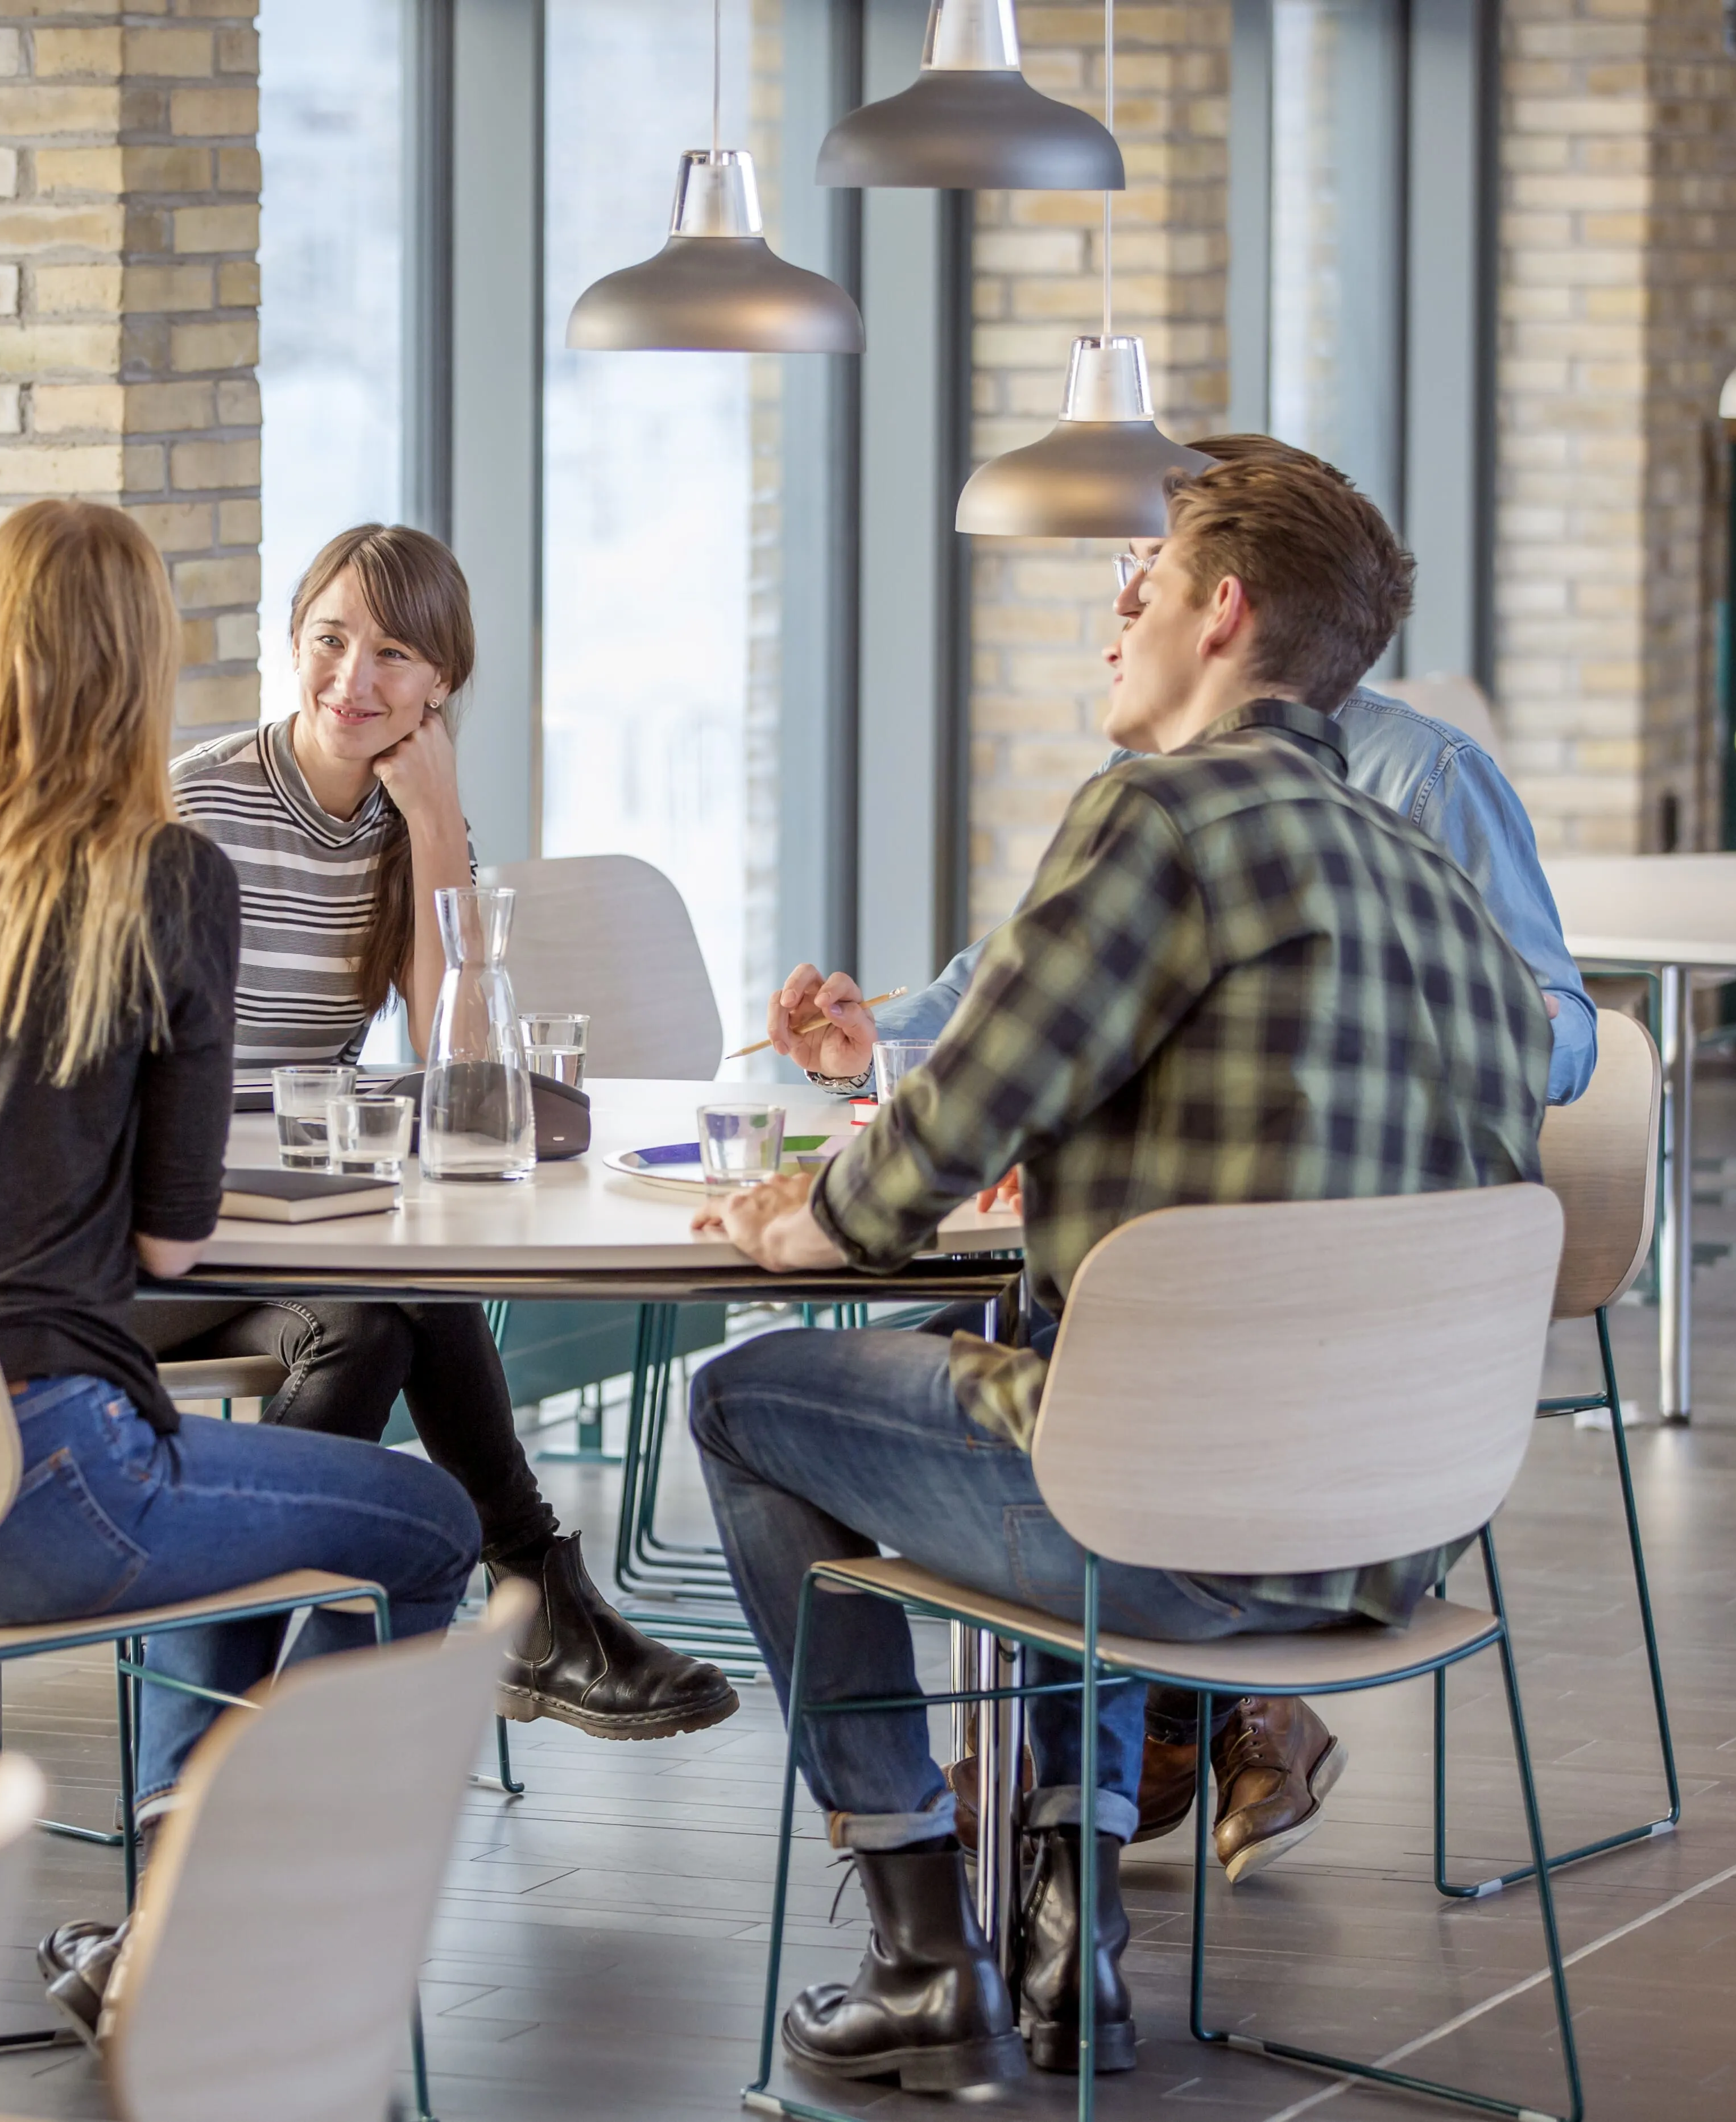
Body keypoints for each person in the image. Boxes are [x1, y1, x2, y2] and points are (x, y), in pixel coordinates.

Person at [691, 447, 1551, 2090]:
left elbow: (962, 1110)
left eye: (1140, 585)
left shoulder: (1164, 818)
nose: (1115, 617)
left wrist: (807, 1221)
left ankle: (924, 1949)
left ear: (1222, 614)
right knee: (1066, 1354)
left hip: (1184, 1529)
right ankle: (1074, 1926)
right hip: (1391, 1545)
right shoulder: (1445, 900)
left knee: (745, 1401)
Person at [0, 498, 482, 2043]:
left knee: (208, 1469)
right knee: (432, 1524)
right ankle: (247, 1923)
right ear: (148, 659)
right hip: (26, 1499)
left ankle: (164, 1909)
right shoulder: (169, 872)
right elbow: (170, 1240)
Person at [142, 522, 738, 1741]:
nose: (352, 680)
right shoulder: (198, 804)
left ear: (440, 685)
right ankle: (532, 1600)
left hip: (301, 1229)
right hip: (174, 1226)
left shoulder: (415, 822)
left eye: (394, 653)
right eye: (328, 640)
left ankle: (243, 1720)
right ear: (291, 641)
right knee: (398, 1292)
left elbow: (457, 1071)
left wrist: (432, 823)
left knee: (373, 1318)